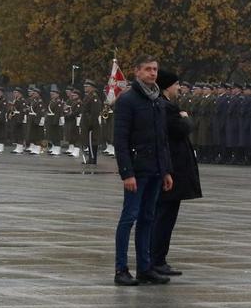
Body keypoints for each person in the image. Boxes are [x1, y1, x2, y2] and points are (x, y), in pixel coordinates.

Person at [113, 55, 173, 286]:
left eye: (155, 69)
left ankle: (145, 268)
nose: (152, 73)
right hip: (137, 170)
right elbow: (121, 140)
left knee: (148, 218)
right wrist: (127, 173)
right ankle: (121, 269)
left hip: (155, 170)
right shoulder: (127, 100)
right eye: (148, 69)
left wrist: (166, 170)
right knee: (129, 218)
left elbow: (162, 140)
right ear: (137, 72)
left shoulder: (157, 99)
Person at [150, 70, 201, 276]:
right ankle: (157, 259)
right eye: (176, 85)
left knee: (163, 216)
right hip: (172, 170)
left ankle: (157, 258)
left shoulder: (162, 104)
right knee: (164, 217)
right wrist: (186, 119)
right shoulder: (167, 107)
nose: (178, 88)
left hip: (170, 169)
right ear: (167, 87)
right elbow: (181, 129)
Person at [79, 79, 102, 165]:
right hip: (86, 122)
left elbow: (94, 112)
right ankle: (91, 158)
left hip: (91, 124)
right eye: (85, 86)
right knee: (89, 142)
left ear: (92, 88)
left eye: (87, 86)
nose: (85, 88)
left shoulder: (94, 97)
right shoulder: (88, 96)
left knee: (92, 142)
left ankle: (93, 158)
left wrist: (91, 123)